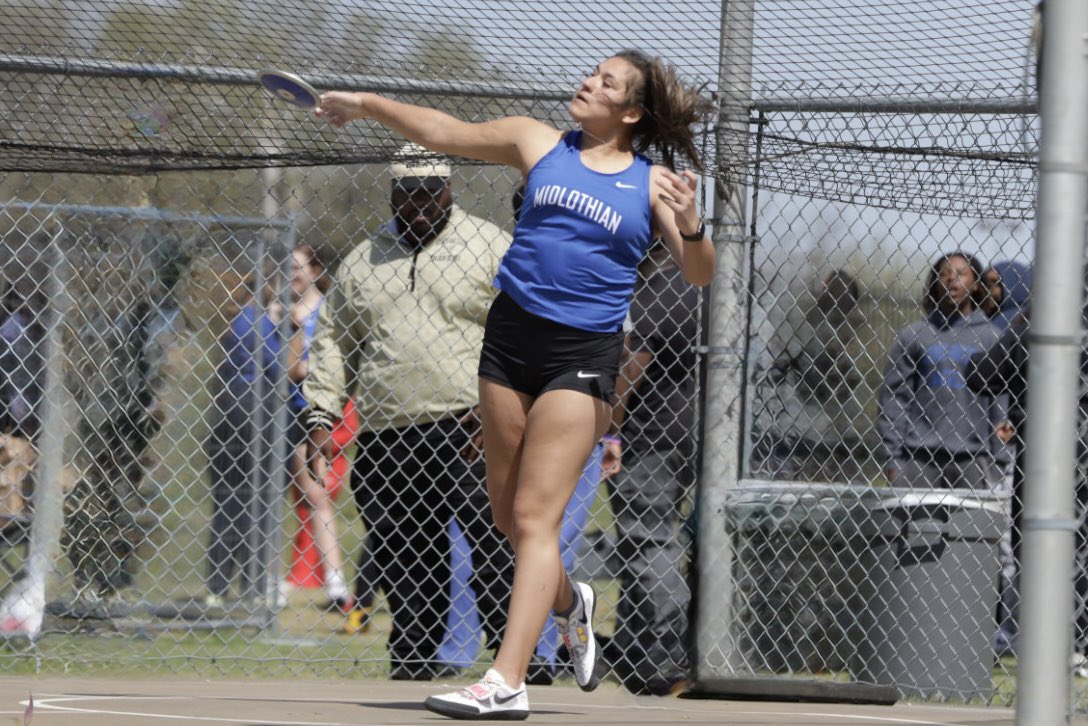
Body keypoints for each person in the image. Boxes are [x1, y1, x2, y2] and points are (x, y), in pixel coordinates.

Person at [315, 49, 715, 720]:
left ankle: (507, 679)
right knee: (508, 519)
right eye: (591, 72)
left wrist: (694, 222)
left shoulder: (651, 186)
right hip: (507, 343)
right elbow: (441, 130)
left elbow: (700, 273)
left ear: (631, 111)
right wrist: (367, 104)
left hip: (581, 356)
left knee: (535, 518)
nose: (589, 82)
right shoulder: (537, 142)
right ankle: (571, 602)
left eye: (607, 82)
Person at [303, 147, 516, 681]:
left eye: (430, 190)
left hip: (471, 429)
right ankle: (414, 661)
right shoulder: (364, 258)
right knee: (406, 557)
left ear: (449, 188)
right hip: (387, 435)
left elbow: (522, 332)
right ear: (392, 192)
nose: (420, 201)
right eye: (408, 191)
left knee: (494, 549)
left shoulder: (490, 247)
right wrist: (322, 417)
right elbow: (333, 343)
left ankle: (518, 664)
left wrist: (506, 410)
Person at [601, 239, 699, 696]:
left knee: (648, 541)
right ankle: (632, 649)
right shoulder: (692, 283)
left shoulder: (658, 291)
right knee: (644, 541)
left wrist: (610, 432)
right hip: (679, 433)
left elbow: (632, 366)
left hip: (649, 436)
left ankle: (668, 652)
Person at [877, 251, 1009, 490]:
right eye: (944, 274)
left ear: (977, 284)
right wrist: (893, 458)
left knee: (971, 528)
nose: (951, 279)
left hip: (974, 460)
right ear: (935, 283)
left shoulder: (993, 339)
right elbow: (894, 398)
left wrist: (1000, 462)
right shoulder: (915, 336)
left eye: (961, 273)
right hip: (918, 459)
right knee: (914, 527)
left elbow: (1003, 405)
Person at [204, 272, 285, 607]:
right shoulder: (259, 323)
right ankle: (251, 583)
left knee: (227, 497)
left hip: (229, 406)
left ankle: (218, 583)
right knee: (258, 496)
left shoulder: (237, 320)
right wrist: (281, 326)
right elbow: (277, 367)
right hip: (256, 407)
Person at [280, 245, 352, 613]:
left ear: (315, 270)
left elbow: (304, 369)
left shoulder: (325, 309)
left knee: (316, 495)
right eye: (287, 267)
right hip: (274, 412)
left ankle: (336, 581)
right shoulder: (277, 309)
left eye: (298, 267)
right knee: (279, 497)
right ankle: (277, 579)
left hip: (309, 412)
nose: (292, 273)